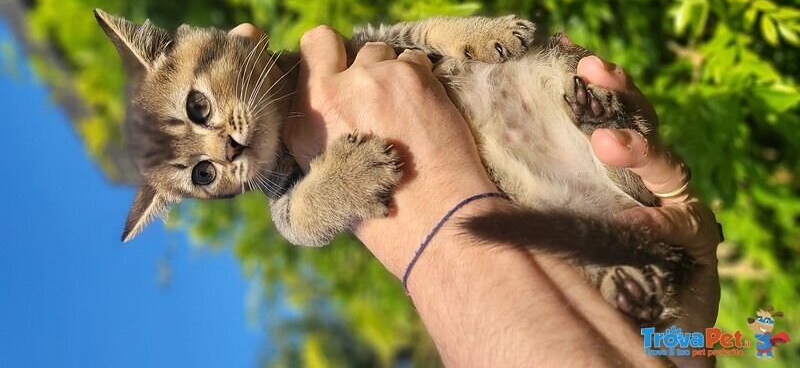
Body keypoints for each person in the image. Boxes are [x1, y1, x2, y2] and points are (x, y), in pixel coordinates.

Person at [236, 23, 721, 367]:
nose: (223, 148)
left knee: (563, 85)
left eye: (197, 106)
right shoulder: (276, 174)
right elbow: (295, 218)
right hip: (554, 209)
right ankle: (628, 280)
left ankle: (608, 148)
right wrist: (431, 209)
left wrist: (460, 38)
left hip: (534, 122)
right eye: (201, 176)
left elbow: (406, 37)